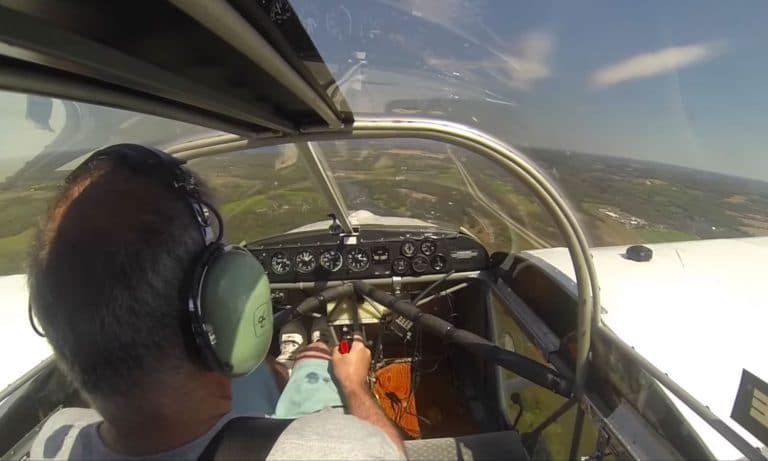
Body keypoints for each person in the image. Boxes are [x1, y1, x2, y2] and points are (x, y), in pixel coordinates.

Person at [27, 144, 405, 460]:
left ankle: (291, 361)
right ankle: (314, 360)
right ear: (213, 314)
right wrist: (354, 384)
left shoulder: (55, 442)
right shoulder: (335, 448)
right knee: (320, 376)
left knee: (260, 372)